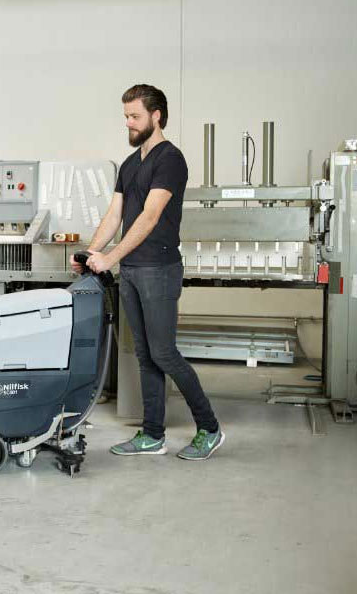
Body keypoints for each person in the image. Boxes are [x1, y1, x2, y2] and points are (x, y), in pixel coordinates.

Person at [70, 84, 224, 460]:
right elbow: (115, 215)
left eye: (135, 116)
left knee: (164, 353)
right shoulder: (129, 165)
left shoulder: (170, 160)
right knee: (144, 356)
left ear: (156, 116)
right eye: (126, 116)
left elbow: (150, 217)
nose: (129, 123)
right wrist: (91, 252)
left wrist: (111, 258)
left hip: (159, 269)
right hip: (133, 271)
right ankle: (152, 434)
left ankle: (210, 428)